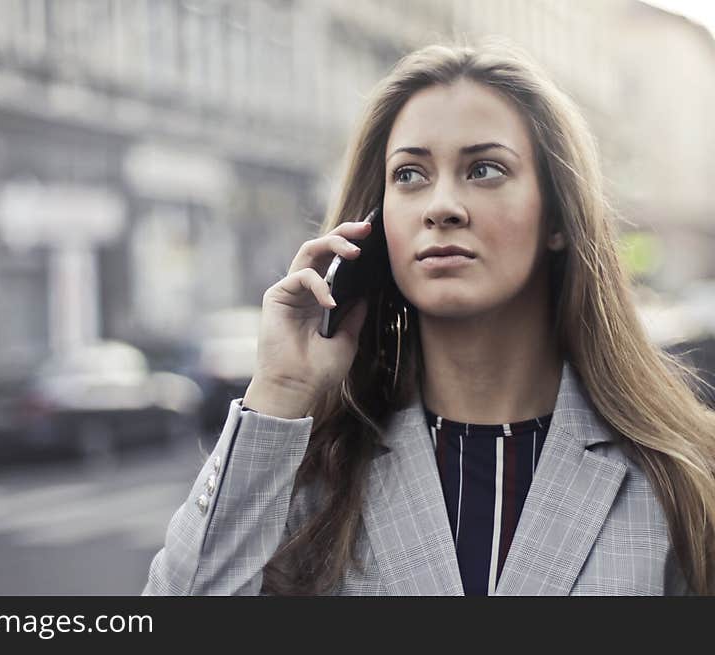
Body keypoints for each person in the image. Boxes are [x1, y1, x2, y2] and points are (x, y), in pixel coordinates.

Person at [144, 39, 715, 596]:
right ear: (376, 225)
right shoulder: (311, 477)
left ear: (558, 217)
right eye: (410, 175)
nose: (441, 206)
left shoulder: (677, 476)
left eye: (485, 169)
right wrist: (279, 390)